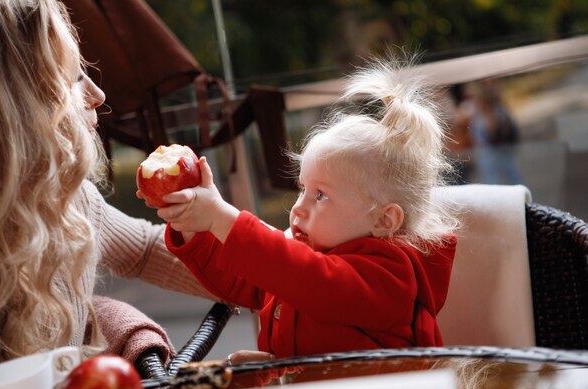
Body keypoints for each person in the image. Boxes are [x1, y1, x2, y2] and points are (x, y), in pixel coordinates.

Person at [0, 1, 212, 389]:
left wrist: (277, 267)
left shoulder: (72, 199)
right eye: (75, 77)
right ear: (14, 106)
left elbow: (149, 249)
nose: (98, 94)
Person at [147, 56, 460, 358]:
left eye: (320, 195)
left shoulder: (391, 277)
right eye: (302, 190)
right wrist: (193, 225)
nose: (298, 209)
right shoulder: (309, 257)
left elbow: (308, 278)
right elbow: (246, 276)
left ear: (384, 219)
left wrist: (220, 216)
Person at [469, 79, 523, 185]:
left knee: (513, 180)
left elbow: (505, 132)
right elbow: (480, 138)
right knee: (495, 183)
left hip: (502, 153)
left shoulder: (499, 112)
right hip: (490, 156)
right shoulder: (479, 118)